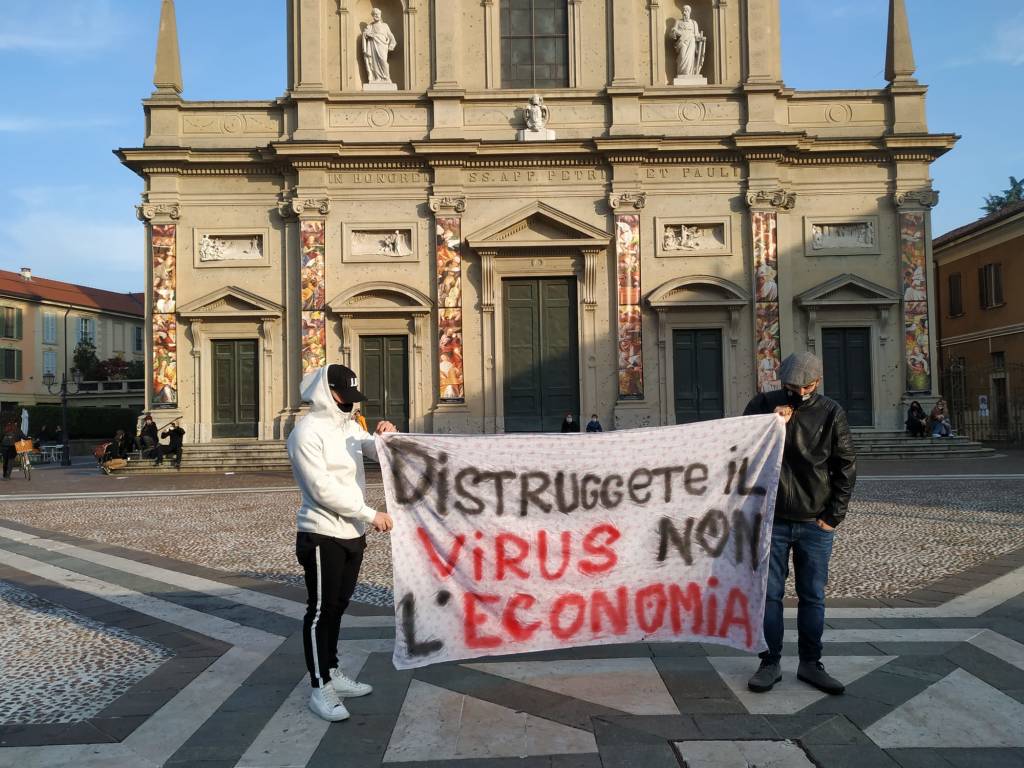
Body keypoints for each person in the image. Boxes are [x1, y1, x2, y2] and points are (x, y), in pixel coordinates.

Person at [288, 363, 398, 722]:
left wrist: (386, 436)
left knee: (337, 607)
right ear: (326, 392)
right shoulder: (306, 433)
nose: (349, 403)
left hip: (353, 534)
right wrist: (370, 514)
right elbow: (321, 490)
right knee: (320, 611)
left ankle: (332, 670)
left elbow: (372, 449)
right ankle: (320, 687)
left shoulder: (347, 426)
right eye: (343, 396)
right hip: (321, 534)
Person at [743, 352, 856, 696]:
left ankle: (811, 662)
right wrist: (769, 424)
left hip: (814, 522)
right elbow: (739, 444)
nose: (797, 392)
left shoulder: (831, 412)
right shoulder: (765, 404)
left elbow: (846, 465)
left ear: (816, 383)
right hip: (772, 521)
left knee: (812, 596)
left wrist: (832, 516)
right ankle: (770, 662)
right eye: (791, 386)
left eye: (804, 386)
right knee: (770, 596)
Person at [361, 7, 397, 85]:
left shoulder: (385, 25)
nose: (376, 15)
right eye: (374, 14)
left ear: (380, 15)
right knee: (374, 62)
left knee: (383, 60)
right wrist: (367, 34)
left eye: (377, 14)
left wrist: (392, 44)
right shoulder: (370, 26)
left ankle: (386, 77)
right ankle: (377, 77)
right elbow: (365, 34)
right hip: (373, 45)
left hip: (382, 45)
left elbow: (390, 36)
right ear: (372, 16)